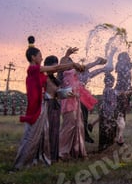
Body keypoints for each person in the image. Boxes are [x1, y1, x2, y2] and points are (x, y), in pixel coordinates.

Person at [13, 36, 84, 170]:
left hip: (41, 106)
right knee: (31, 136)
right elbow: (56, 68)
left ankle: (39, 158)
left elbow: (55, 74)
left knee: (39, 135)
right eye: (40, 56)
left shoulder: (40, 72)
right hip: (37, 107)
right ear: (33, 57)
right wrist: (72, 64)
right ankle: (20, 163)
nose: (41, 58)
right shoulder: (33, 69)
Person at [58, 49, 97, 160]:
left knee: (78, 127)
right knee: (68, 127)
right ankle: (62, 153)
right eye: (68, 62)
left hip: (75, 103)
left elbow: (84, 68)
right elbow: (63, 63)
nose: (70, 64)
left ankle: (75, 151)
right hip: (68, 103)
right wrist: (67, 54)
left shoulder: (74, 74)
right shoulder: (65, 73)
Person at [78, 56, 108, 144]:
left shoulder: (87, 74)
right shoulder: (76, 72)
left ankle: (85, 134)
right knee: (82, 116)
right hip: (78, 96)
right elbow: (87, 67)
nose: (87, 72)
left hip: (83, 96)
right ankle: (84, 135)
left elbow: (95, 72)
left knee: (84, 116)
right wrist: (97, 62)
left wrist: (103, 68)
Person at [43, 55, 61, 162]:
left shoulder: (55, 79)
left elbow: (58, 93)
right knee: (46, 130)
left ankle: (53, 157)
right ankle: (45, 155)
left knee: (55, 131)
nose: (57, 67)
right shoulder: (43, 76)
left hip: (55, 105)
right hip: (47, 105)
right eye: (55, 65)